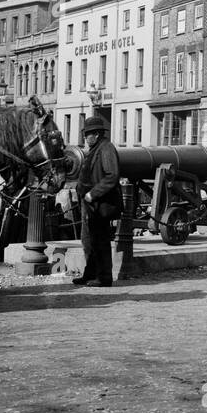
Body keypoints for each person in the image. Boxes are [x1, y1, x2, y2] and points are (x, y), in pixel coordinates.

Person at [74, 115, 122, 286]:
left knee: (100, 240)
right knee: (89, 240)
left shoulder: (106, 149)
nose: (86, 138)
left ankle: (104, 277)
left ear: (97, 134)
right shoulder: (96, 149)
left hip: (100, 204)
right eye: (85, 135)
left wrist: (92, 194)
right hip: (91, 204)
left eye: (88, 135)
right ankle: (90, 273)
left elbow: (112, 176)